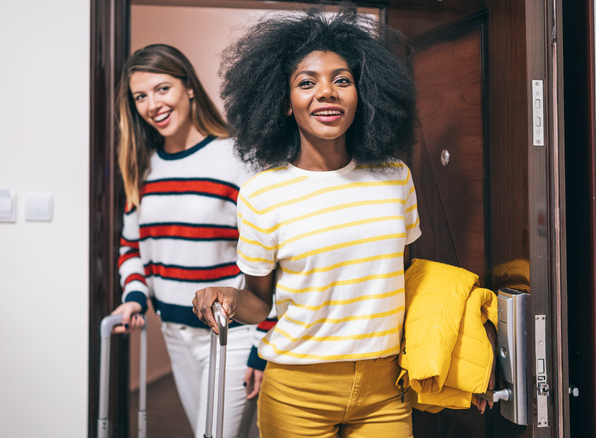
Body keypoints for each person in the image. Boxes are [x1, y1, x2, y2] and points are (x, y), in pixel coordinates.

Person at [193, 8, 419, 438]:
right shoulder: (262, 193)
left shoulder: (395, 177)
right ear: (284, 102)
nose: (326, 93)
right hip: (297, 390)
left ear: (362, 93)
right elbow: (260, 301)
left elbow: (401, 277)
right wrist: (226, 295)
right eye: (306, 82)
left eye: (342, 80)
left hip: (386, 388)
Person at [109, 43, 264, 438]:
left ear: (189, 87)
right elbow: (131, 249)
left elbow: (270, 255)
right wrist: (134, 297)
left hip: (231, 330)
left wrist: (262, 345)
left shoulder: (236, 158)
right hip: (175, 333)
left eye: (162, 89)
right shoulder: (142, 167)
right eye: (140, 96)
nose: (152, 104)